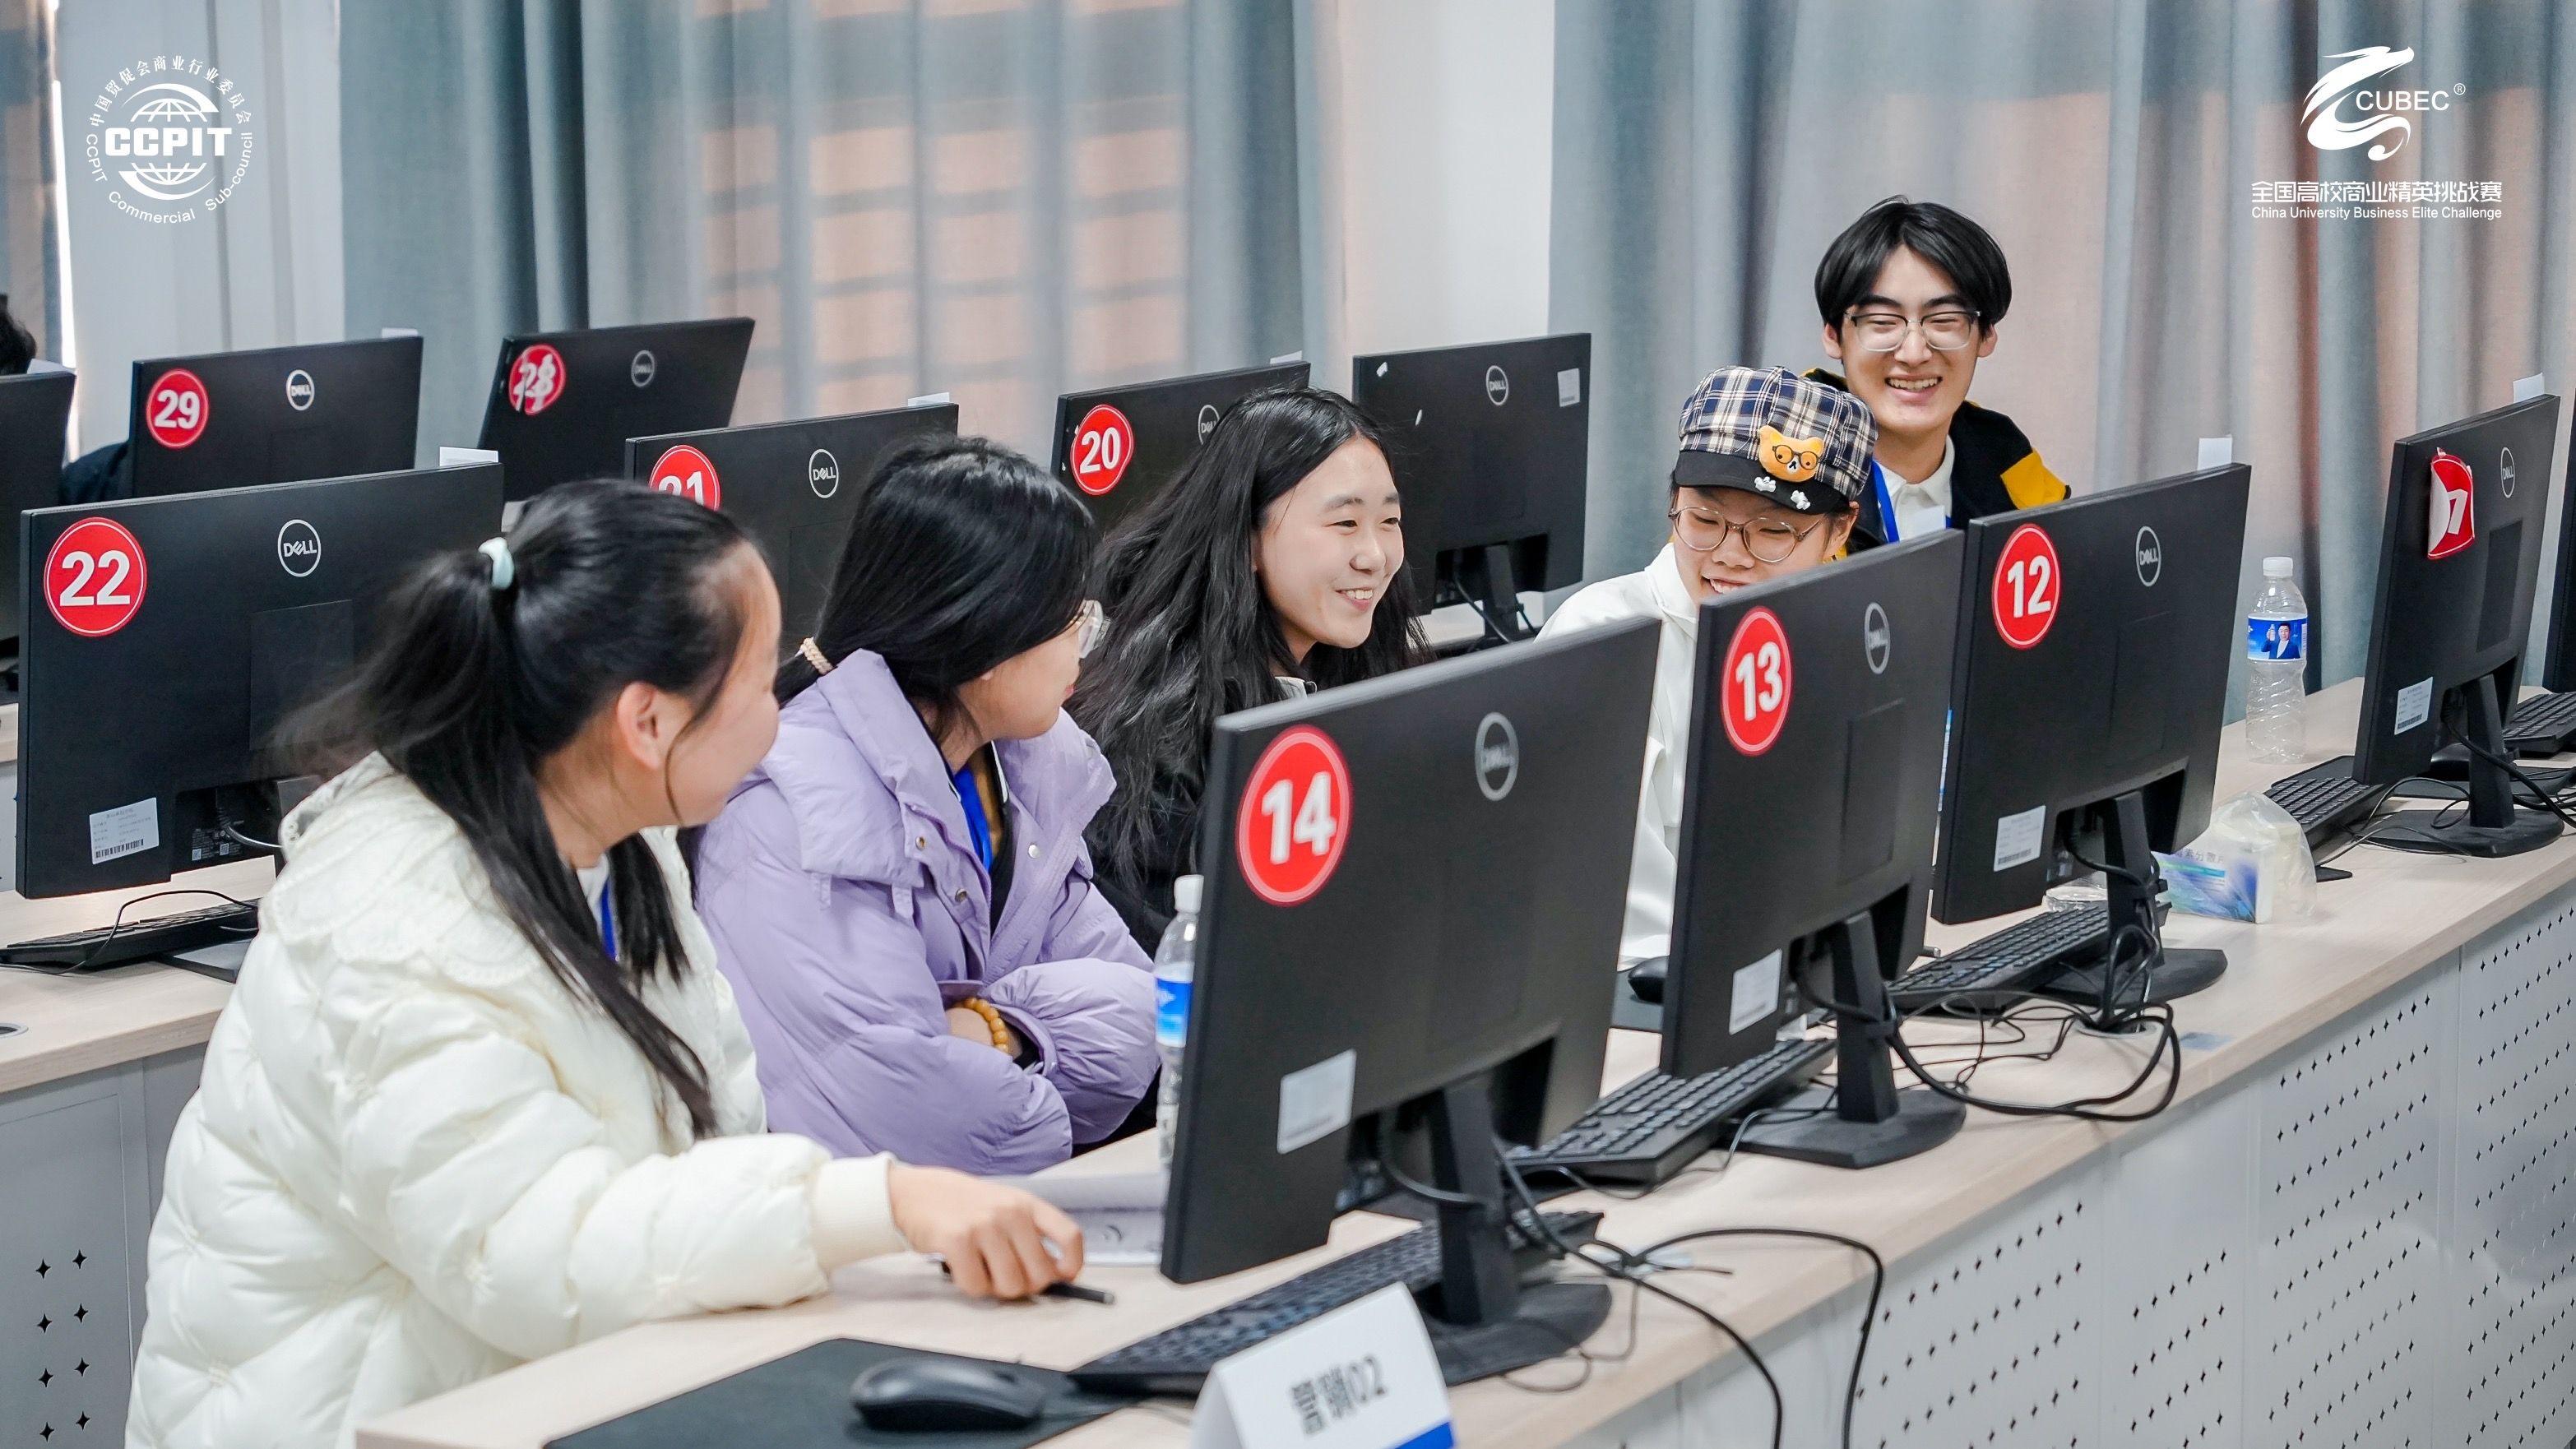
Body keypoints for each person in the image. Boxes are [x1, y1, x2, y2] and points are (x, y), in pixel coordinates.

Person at [126, 481, 1083, 1449]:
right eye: (759, 685)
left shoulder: (620, 834)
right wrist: (879, 1202)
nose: (782, 715)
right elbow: (540, 1252)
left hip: (562, 1389)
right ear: (647, 723)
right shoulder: (402, 928)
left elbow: (712, 1125)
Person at [693, 435, 1157, 1174]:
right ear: (990, 631)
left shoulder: (1022, 769)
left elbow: (1146, 1010)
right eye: (1072, 618)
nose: (1087, 643)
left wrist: (997, 1032)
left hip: (999, 1211)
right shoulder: (793, 820)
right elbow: (903, 1127)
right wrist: (1036, 1045)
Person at [1539, 366, 1874, 965]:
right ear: (1673, 500)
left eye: (1773, 531)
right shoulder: (1601, 642)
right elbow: (1627, 923)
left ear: (1839, 529)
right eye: (1704, 520)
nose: (1729, 556)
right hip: (1653, 982)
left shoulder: (1843, 638)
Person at [1072, 387, 1425, 946]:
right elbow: (1171, 953)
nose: (1376, 556)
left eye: (1389, 520)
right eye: (1345, 524)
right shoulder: (1155, 735)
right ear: (1248, 539)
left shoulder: (1358, 672)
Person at [1808, 196, 2066, 547]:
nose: (1914, 354)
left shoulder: (2012, 474)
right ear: (1833, 335)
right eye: (1883, 322)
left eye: (1944, 321)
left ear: (1987, 335)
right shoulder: (1778, 478)